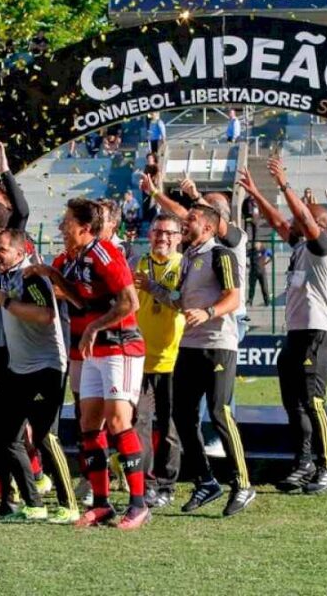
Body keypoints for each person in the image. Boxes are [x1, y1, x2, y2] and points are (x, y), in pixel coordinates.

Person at [31, 199, 150, 530]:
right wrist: (51, 273)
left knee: (117, 420)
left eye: (67, 221)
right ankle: (101, 504)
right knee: (89, 425)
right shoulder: (75, 259)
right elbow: (81, 299)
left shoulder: (105, 254)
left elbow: (131, 301)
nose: (61, 226)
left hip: (119, 347)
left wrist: (96, 327)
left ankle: (139, 504)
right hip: (91, 352)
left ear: (85, 228)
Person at [240, 160, 327, 494]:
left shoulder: (323, 249)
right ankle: (304, 463)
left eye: (305, 219)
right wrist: (256, 192)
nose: (295, 223)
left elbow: (301, 219)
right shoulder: (300, 248)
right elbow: (279, 220)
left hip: (317, 334)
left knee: (314, 402)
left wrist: (285, 186)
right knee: (294, 403)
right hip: (296, 335)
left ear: (319, 225)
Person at [171, 203, 254, 517]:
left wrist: (207, 313)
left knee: (220, 413)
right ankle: (205, 481)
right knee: (182, 415)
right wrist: (154, 289)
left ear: (207, 227)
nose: (185, 221)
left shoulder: (221, 255)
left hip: (218, 345)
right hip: (189, 346)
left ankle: (243, 483)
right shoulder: (189, 258)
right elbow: (181, 301)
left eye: (190, 218)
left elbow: (233, 298)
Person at [0, 228, 76, 523]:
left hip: (45, 367)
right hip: (18, 370)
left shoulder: (31, 276)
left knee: (44, 437)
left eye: (2, 249)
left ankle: (70, 504)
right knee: (6, 438)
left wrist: (6, 302)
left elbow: (45, 314)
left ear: (19, 250)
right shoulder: (6, 277)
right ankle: (34, 503)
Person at [132, 214, 185, 509]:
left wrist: (153, 288)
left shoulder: (183, 265)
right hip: (140, 357)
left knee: (169, 427)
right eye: (157, 232)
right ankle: (145, 483)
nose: (162, 238)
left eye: (168, 233)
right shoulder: (140, 263)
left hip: (173, 358)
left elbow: (180, 300)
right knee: (139, 424)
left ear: (179, 237)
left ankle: (167, 484)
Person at [247, 241, 272, 307]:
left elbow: (272, 256)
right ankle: (250, 301)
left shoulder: (265, 250)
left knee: (264, 288)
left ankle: (267, 302)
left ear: (260, 243)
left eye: (257, 242)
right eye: (255, 243)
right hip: (253, 272)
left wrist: (265, 263)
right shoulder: (251, 251)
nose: (255, 244)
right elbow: (243, 257)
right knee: (252, 288)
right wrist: (247, 265)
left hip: (262, 272)